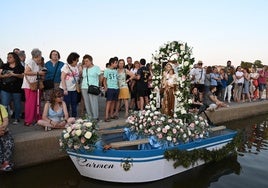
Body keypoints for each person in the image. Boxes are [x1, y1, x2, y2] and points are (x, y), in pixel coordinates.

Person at [21, 48, 46, 126]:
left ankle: (36, 118)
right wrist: (39, 72)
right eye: (40, 55)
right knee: (30, 103)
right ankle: (28, 120)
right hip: (29, 86)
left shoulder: (36, 63)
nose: (41, 57)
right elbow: (26, 72)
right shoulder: (30, 62)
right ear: (37, 55)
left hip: (35, 84)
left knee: (36, 103)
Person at [0, 52, 24, 124]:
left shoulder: (20, 67)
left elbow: (23, 76)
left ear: (15, 58)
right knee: (4, 104)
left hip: (17, 88)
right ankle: (4, 119)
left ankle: (16, 118)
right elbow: (0, 75)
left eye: (10, 57)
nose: (8, 58)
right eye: (7, 57)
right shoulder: (4, 66)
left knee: (17, 104)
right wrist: (5, 76)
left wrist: (14, 74)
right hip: (5, 88)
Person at [81, 54, 102, 121]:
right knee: (87, 103)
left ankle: (95, 117)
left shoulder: (96, 68)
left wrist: (99, 85)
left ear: (91, 61)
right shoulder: (84, 69)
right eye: (84, 61)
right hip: (84, 87)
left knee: (94, 102)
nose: (85, 62)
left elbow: (100, 77)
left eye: (87, 61)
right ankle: (89, 117)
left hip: (93, 87)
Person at [60, 52, 81, 118]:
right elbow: (62, 78)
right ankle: (66, 118)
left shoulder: (76, 66)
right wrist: (65, 89)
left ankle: (74, 118)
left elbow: (78, 76)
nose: (77, 61)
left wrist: (80, 70)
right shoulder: (66, 66)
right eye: (77, 60)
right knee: (66, 104)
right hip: (67, 89)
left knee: (74, 104)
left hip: (74, 89)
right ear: (73, 60)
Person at [103, 57, 119, 122]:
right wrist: (105, 87)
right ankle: (106, 116)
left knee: (113, 102)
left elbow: (117, 79)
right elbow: (104, 80)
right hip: (110, 88)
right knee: (109, 102)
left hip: (116, 88)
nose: (116, 64)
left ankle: (111, 115)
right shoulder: (107, 70)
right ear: (112, 63)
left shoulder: (116, 71)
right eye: (116, 63)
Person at [0, 104, 14, 171]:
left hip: (2, 129)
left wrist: (2, 129)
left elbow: (6, 120)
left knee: (9, 141)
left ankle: (6, 163)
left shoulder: (1, 107)